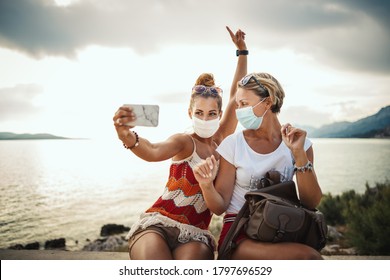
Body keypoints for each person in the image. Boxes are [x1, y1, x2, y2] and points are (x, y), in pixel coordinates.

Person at [112, 26, 248, 260]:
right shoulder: (184, 142)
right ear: (189, 113)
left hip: (195, 234)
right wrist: (127, 136)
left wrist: (242, 53)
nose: (205, 118)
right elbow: (153, 151)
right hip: (159, 224)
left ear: (219, 113)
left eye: (212, 113)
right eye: (199, 112)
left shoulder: (222, 141)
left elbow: (236, 95)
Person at [193, 72, 324, 259]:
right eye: (238, 105)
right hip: (240, 234)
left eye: (244, 104)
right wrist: (206, 184)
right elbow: (219, 207)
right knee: (309, 258)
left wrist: (299, 155)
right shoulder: (233, 144)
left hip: (280, 228)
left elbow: (311, 202)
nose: (239, 111)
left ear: (268, 103)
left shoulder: (300, 144)